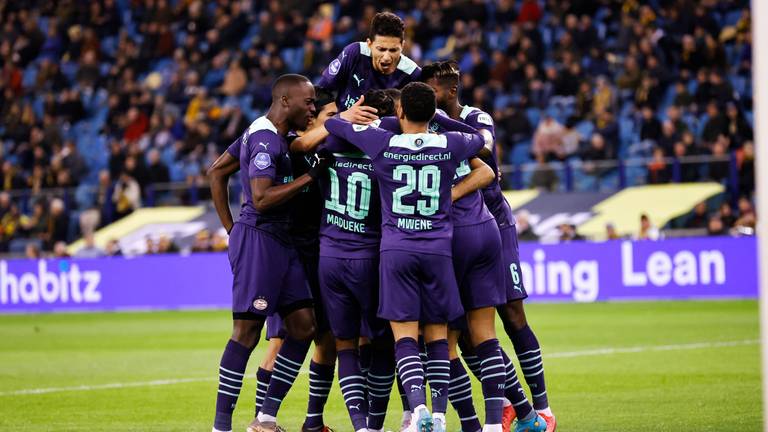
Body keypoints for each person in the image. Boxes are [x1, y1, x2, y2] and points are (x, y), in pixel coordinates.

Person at [325, 82, 504, 432]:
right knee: (438, 335)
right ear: (431, 113)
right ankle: (440, 415)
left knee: (405, 337)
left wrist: (351, 115)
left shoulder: (382, 142)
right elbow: (482, 140)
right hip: (437, 250)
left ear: (400, 111)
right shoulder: (450, 143)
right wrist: (442, 120)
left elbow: (334, 125)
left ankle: (418, 408)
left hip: (397, 250)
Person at [420, 61, 552, 432]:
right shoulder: (425, 128)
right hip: (453, 229)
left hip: (493, 222)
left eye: (431, 90)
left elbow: (485, 147)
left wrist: (435, 119)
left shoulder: (476, 118)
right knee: (462, 332)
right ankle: (512, 406)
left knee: (511, 313)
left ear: (450, 90)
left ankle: (543, 407)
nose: (427, 97)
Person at [207, 74, 332, 432]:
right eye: (308, 102)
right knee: (246, 332)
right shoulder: (264, 139)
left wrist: (232, 229)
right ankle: (221, 427)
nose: (312, 108)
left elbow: (216, 171)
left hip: (281, 242)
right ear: (285, 101)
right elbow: (261, 199)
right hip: (261, 240)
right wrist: (309, 178)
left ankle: (265, 417)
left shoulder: (269, 132)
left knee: (304, 326)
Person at [317, 11, 421, 110]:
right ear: (369, 44)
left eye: (393, 50)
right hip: (342, 119)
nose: (386, 57)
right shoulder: (354, 52)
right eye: (381, 49)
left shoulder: (413, 74)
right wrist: (337, 116)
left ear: (402, 46)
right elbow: (321, 90)